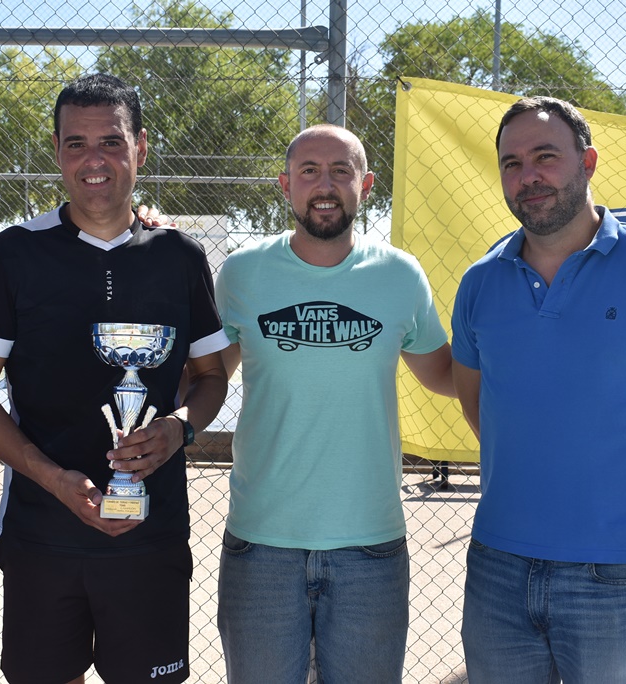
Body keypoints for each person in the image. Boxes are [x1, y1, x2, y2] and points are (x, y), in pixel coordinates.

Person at [0, 73, 229, 684]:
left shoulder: (179, 256)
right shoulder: (13, 252)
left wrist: (179, 427)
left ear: (142, 148)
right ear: (56, 151)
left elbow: (211, 377)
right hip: (41, 532)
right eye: (75, 144)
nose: (93, 160)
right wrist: (52, 478)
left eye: (111, 141)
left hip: (150, 534)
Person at [452, 96, 626, 683]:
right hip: (498, 568)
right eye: (511, 162)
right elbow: (482, 405)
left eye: (545, 156)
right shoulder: (480, 283)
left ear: (589, 162)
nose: (527, 175)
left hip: (619, 572)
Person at [214, 124, 456, 683]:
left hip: (369, 548)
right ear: (285, 186)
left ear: (366, 184)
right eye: (309, 172)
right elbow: (204, 380)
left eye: (340, 171)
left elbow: (443, 374)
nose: (325, 185)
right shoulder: (241, 274)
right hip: (262, 546)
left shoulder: (400, 275)